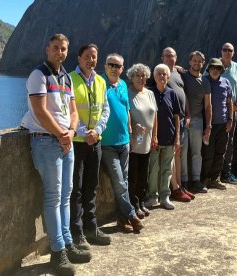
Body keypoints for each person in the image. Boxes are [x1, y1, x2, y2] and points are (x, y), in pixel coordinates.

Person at [21, 34, 91, 275]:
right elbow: (40, 112)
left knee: (65, 195)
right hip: (45, 141)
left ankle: (67, 242)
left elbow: (73, 111)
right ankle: (57, 251)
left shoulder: (65, 78)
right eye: (55, 48)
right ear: (47, 49)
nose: (59, 52)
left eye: (63, 49)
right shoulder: (38, 75)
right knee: (53, 197)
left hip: (64, 141)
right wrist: (62, 134)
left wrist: (70, 131)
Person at [69, 43, 111, 250]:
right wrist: (85, 133)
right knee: (75, 190)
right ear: (79, 58)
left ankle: (91, 228)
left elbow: (105, 110)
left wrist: (97, 132)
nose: (91, 60)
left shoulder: (101, 81)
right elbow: (67, 111)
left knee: (91, 187)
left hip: (95, 142)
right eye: (87, 56)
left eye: (94, 56)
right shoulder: (69, 79)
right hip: (77, 143)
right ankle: (77, 234)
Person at [100, 53, 144, 233]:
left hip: (124, 141)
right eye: (111, 64)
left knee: (123, 181)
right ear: (105, 66)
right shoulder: (100, 83)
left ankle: (121, 218)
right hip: (107, 143)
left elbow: (126, 112)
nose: (114, 68)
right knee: (119, 181)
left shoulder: (124, 85)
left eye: (117, 66)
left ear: (122, 69)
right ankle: (132, 214)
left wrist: (131, 134)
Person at [204, 43, 237, 184]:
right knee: (210, 149)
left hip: (228, 114)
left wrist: (236, 106)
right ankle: (208, 177)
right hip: (210, 118)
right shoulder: (210, 70)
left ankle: (225, 174)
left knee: (228, 145)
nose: (227, 52)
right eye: (225, 50)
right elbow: (200, 81)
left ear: (233, 53)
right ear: (221, 51)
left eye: (230, 50)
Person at [145, 64, 181, 210]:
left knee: (167, 169)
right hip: (153, 139)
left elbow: (177, 117)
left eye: (164, 74)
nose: (161, 76)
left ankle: (165, 197)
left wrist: (177, 137)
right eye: (159, 74)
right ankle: (153, 197)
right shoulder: (149, 93)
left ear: (168, 76)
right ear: (154, 77)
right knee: (153, 169)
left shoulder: (172, 94)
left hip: (169, 137)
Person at [160, 47, 193, 202]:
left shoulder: (179, 74)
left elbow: (184, 94)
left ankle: (180, 185)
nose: (170, 58)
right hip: (169, 119)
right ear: (162, 58)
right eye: (167, 56)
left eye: (172, 56)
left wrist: (188, 114)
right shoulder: (160, 73)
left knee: (178, 153)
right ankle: (174, 188)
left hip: (180, 118)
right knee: (172, 154)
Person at [127, 63, 158, 218]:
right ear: (131, 77)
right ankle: (134, 204)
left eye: (143, 75)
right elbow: (126, 115)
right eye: (137, 75)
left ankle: (141, 202)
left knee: (144, 175)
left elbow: (155, 116)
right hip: (134, 141)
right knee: (133, 175)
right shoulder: (127, 94)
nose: (140, 78)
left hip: (147, 140)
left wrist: (155, 136)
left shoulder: (150, 94)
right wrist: (133, 126)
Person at [180, 51, 212, 193]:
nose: (197, 63)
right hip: (182, 120)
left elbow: (208, 105)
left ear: (203, 63)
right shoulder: (183, 76)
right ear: (189, 62)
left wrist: (209, 125)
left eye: (199, 61)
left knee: (196, 152)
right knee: (183, 151)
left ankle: (196, 180)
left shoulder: (205, 81)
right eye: (194, 60)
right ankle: (184, 182)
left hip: (198, 120)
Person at [202, 58, 233, 190]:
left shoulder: (226, 82)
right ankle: (204, 179)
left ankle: (215, 179)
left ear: (221, 70)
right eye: (213, 68)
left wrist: (230, 119)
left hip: (223, 123)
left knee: (220, 152)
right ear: (208, 69)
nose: (215, 70)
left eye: (218, 68)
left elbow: (229, 102)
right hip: (208, 124)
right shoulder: (204, 81)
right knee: (208, 153)